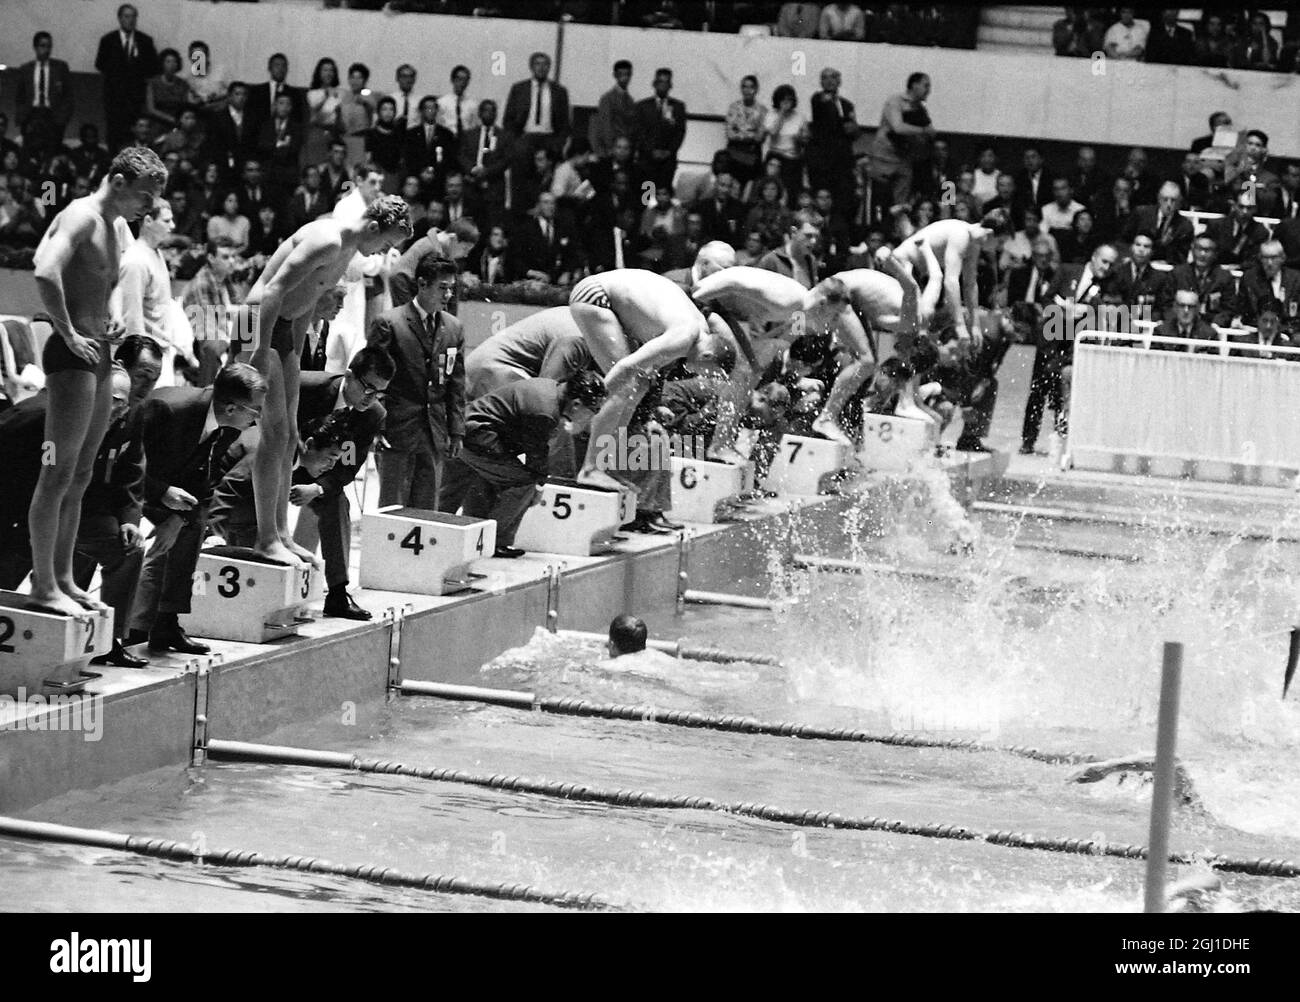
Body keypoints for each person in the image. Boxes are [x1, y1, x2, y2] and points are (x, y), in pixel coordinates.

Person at [26, 146, 166, 617]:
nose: (149, 207)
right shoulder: (81, 216)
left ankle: (64, 577)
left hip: (100, 354)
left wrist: (106, 319)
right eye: (144, 195)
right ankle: (42, 584)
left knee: (82, 475)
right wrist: (67, 331)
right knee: (56, 474)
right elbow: (44, 270)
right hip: (72, 355)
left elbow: (93, 283)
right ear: (119, 181)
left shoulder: (114, 226)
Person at [241, 193, 410, 566]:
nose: (381, 253)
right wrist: (259, 353)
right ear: (372, 226)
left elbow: (301, 309)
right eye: (384, 243)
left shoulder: (347, 253)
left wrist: (291, 358)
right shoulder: (328, 239)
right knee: (273, 435)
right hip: (255, 322)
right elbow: (271, 291)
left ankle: (281, 534)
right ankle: (265, 537)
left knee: (289, 436)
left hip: (282, 328)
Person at [123, 363, 267, 654]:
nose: (257, 419)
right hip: (129, 486)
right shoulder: (168, 409)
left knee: (195, 522)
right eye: (255, 411)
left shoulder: (228, 425)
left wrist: (178, 517)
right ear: (230, 407)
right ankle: (130, 628)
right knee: (138, 542)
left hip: (170, 487)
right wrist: (161, 492)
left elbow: (207, 476)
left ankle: (166, 621)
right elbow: (124, 464)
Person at [567, 269, 725, 490]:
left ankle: (608, 466)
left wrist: (650, 412)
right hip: (595, 295)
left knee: (638, 386)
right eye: (703, 371)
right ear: (707, 356)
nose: (695, 374)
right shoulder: (684, 337)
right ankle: (591, 469)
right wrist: (587, 408)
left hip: (606, 295)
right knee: (626, 386)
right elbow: (625, 366)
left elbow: (651, 379)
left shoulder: (700, 331)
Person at [439, 372, 606, 558]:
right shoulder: (546, 412)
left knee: (456, 490)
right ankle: (496, 541)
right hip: (479, 437)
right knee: (525, 481)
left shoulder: (549, 387)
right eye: (595, 410)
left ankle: (445, 536)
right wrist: (540, 485)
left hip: (463, 429)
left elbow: (520, 443)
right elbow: (536, 459)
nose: (592, 417)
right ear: (576, 404)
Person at [290, 345, 394, 619]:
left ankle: (337, 592)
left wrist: (317, 488)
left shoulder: (373, 415)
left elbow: (347, 469)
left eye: (379, 392)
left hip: (317, 472)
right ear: (348, 375)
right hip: (276, 460)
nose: (371, 398)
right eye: (368, 388)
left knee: (336, 501)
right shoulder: (305, 386)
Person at [366, 254, 463, 510]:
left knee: (427, 507)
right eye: (442, 288)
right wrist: (374, 425)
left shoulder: (454, 328)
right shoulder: (389, 323)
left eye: (451, 289)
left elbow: (456, 384)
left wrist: (456, 431)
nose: (448, 295)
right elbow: (372, 380)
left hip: (435, 431)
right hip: (396, 428)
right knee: (392, 506)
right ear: (422, 284)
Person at [891, 213, 1008, 347]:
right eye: (1000, 242)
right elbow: (951, 282)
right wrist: (960, 325)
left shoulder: (974, 244)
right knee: (913, 331)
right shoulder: (961, 235)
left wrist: (975, 325)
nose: (1000, 247)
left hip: (921, 274)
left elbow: (970, 285)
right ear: (989, 233)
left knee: (924, 327)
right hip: (902, 265)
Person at [465, 307, 593, 399]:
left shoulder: (582, 320)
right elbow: (545, 395)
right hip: (494, 372)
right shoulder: (576, 338)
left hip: (487, 370)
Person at [867, 72, 934, 222]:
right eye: (926, 85)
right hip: (883, 158)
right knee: (879, 199)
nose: (929, 90)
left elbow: (931, 132)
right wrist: (922, 130)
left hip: (904, 159)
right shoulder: (895, 101)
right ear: (914, 85)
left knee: (900, 204)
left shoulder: (921, 109)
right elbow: (898, 127)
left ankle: (897, 231)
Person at [94, 4, 160, 149]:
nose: (130, 20)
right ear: (119, 18)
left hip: (136, 98)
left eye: (133, 17)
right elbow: (100, 64)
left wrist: (138, 63)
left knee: (134, 137)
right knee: (114, 134)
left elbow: (154, 67)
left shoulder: (145, 41)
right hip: (115, 97)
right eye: (127, 16)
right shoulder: (108, 40)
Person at [183, 236, 241, 387]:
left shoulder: (225, 280)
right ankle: (206, 397)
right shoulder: (202, 282)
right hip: (201, 342)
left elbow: (238, 311)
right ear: (211, 258)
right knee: (214, 346)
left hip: (223, 336)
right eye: (226, 257)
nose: (232, 261)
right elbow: (207, 330)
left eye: (234, 256)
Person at [16, 31, 74, 162]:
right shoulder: (26, 69)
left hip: (52, 116)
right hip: (32, 114)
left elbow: (68, 96)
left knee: (51, 155)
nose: (46, 50)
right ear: (35, 47)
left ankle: (48, 182)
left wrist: (62, 120)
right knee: (30, 155)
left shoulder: (60, 67)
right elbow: (20, 96)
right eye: (43, 46)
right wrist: (22, 118)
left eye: (49, 46)